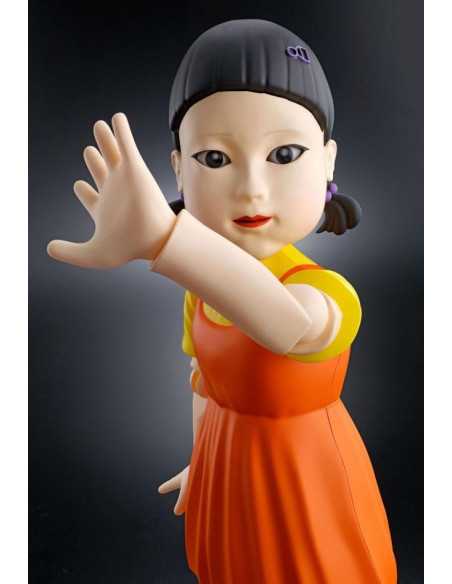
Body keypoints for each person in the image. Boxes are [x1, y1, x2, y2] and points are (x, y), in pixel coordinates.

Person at [47, 19, 397, 584]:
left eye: (285, 153)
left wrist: (164, 239)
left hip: (304, 483)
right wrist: (202, 462)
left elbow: (288, 325)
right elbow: (205, 383)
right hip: (227, 471)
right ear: (178, 169)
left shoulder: (323, 291)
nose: (251, 188)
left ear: (328, 162)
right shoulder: (202, 289)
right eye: (214, 159)